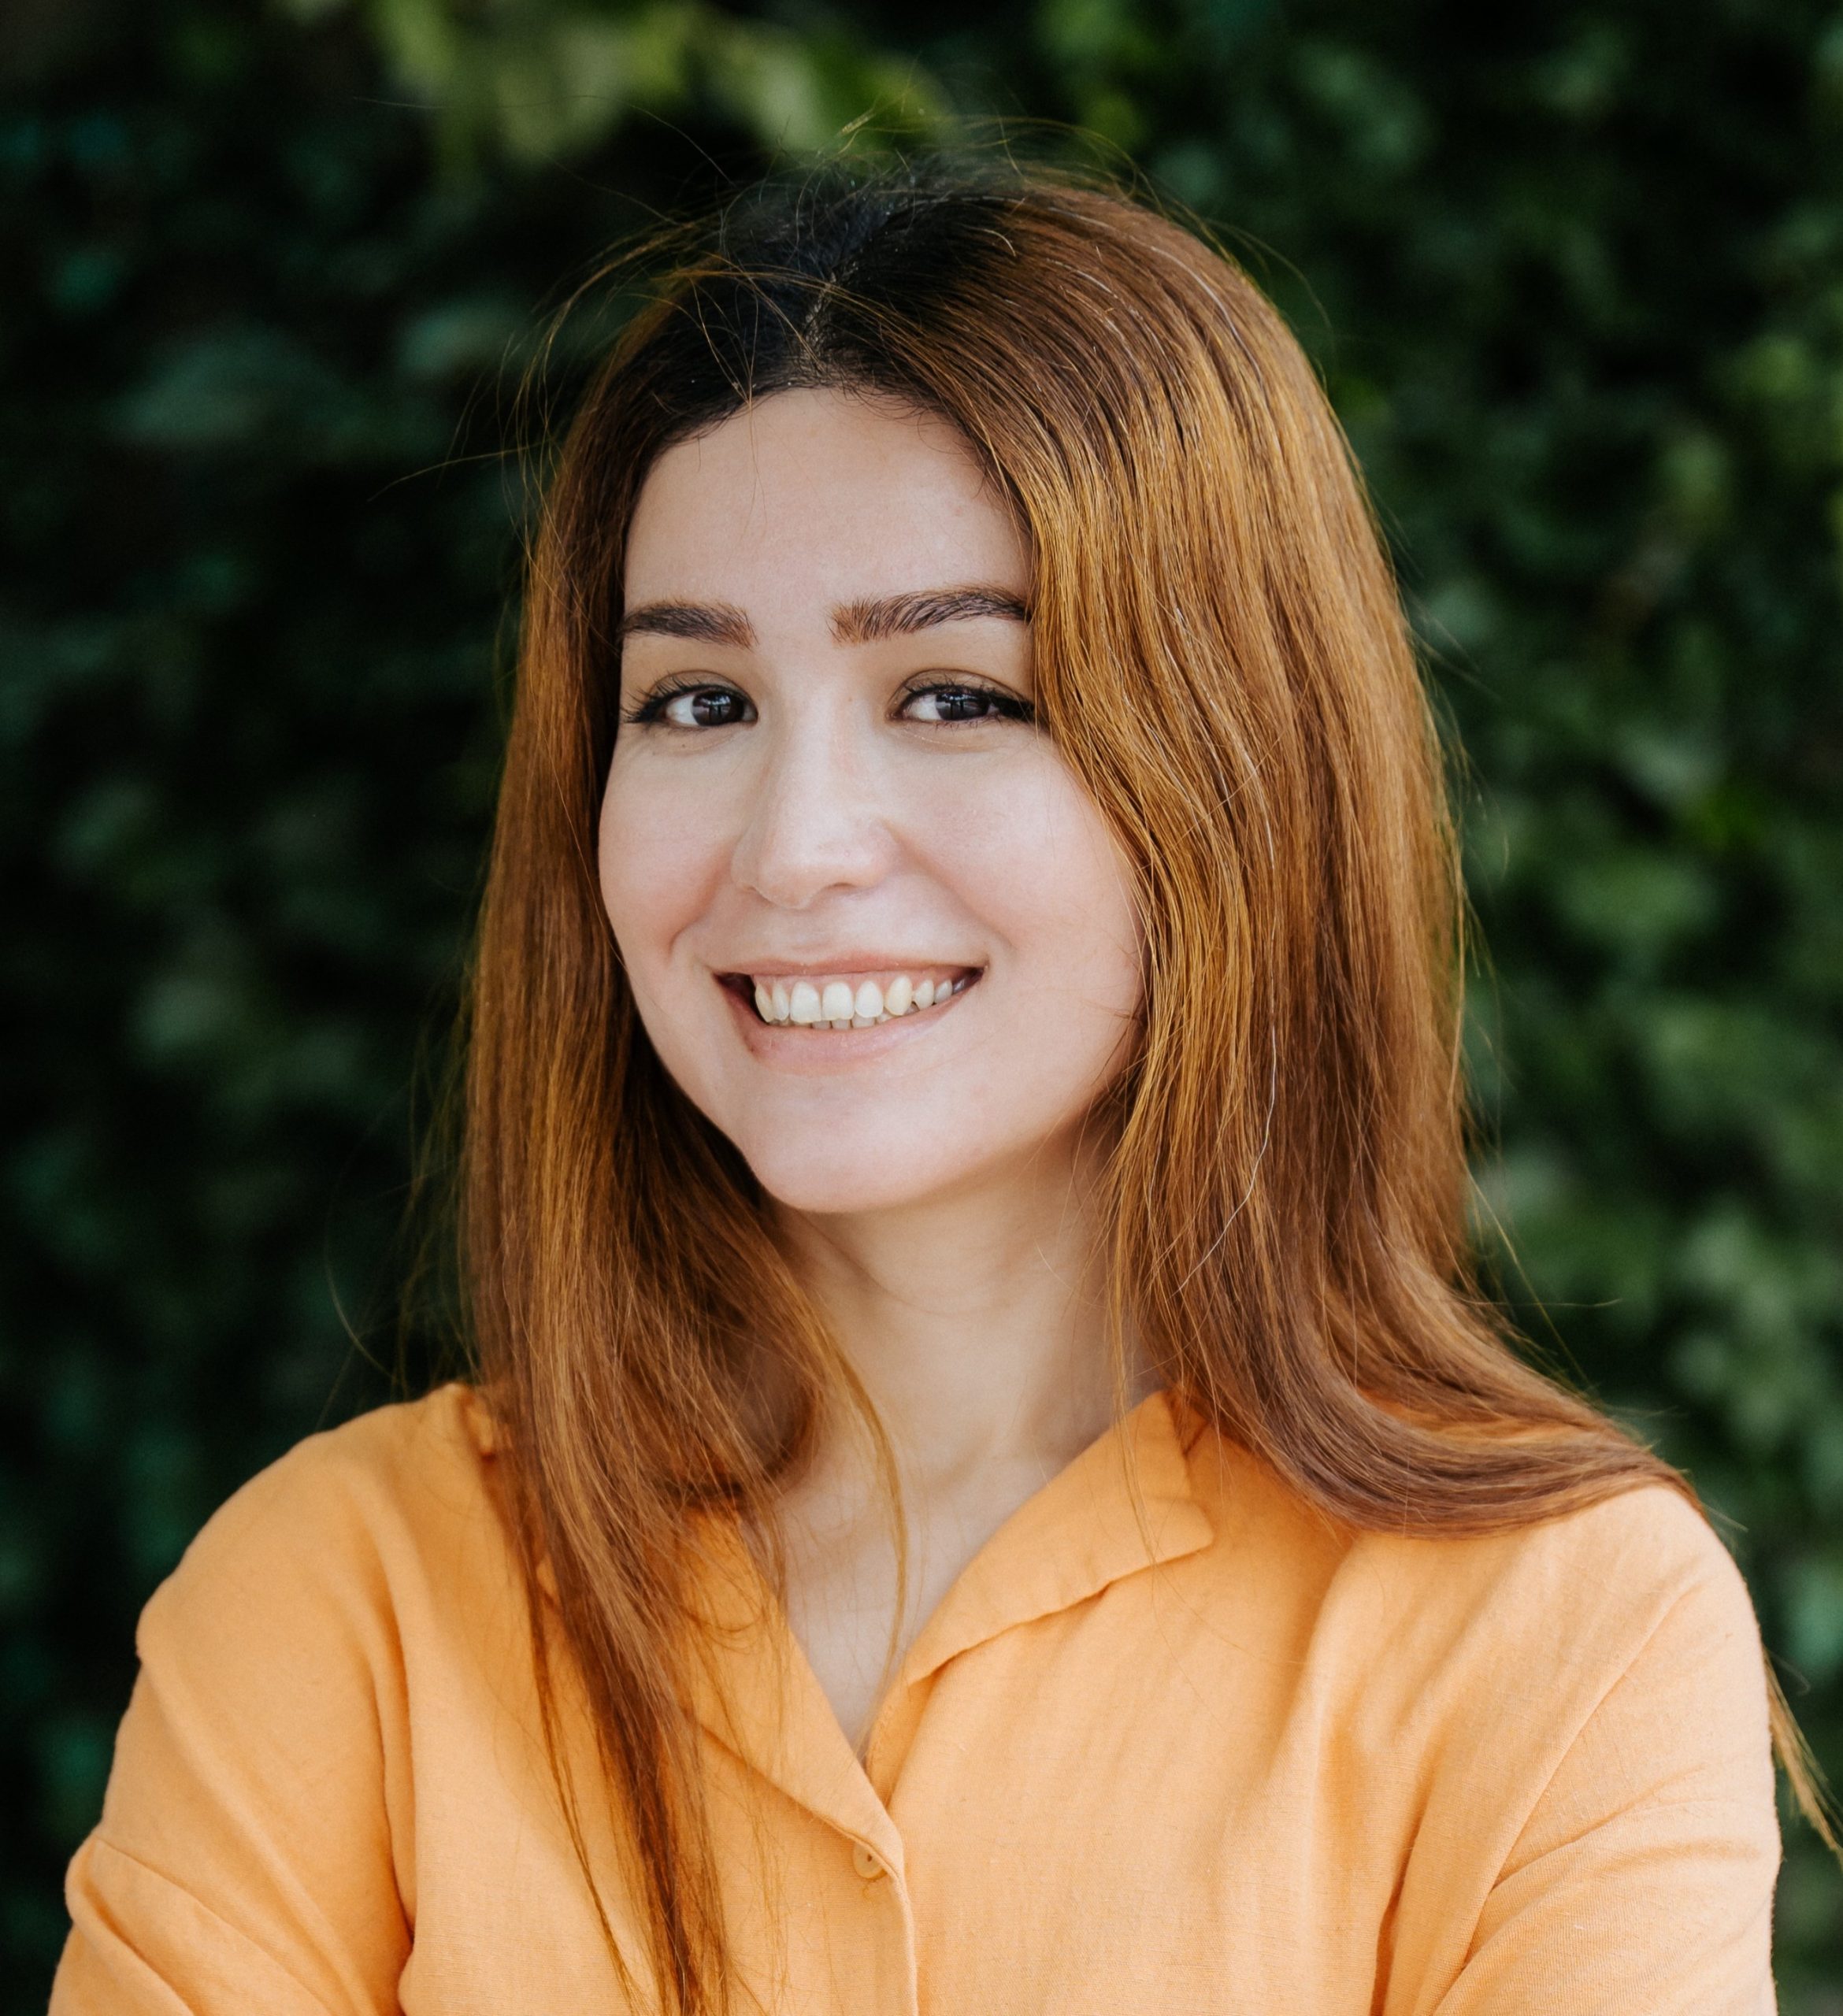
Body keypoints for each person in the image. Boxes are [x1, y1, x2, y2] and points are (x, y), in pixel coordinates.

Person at [51, 165, 1795, 2016]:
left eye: (956, 693)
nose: (794, 846)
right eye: (698, 701)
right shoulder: (341, 1600)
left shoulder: (1562, 1631)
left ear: (1242, 771)